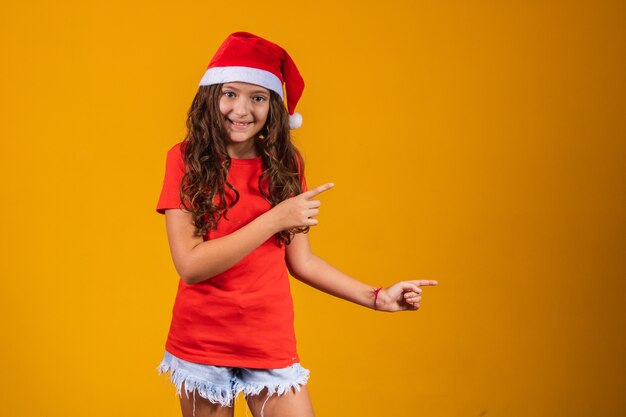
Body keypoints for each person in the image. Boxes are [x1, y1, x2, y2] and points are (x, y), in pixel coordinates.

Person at [155, 32, 438, 417]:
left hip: (268, 338)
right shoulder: (184, 159)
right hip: (202, 339)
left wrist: (376, 297)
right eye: (230, 94)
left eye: (257, 98)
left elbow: (302, 262)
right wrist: (275, 218)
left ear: (273, 107)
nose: (242, 109)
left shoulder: (286, 167)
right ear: (211, 96)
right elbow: (190, 265)